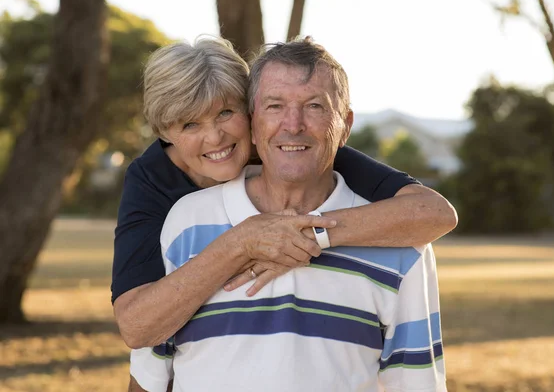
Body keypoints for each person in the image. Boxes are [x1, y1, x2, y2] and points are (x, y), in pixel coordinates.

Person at [112, 35, 455, 390]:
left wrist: (304, 233)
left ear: (248, 114)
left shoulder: (301, 145)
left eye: (225, 113)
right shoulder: (165, 198)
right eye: (189, 125)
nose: (215, 138)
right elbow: (140, 332)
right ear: (166, 133)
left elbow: (434, 213)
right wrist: (243, 242)